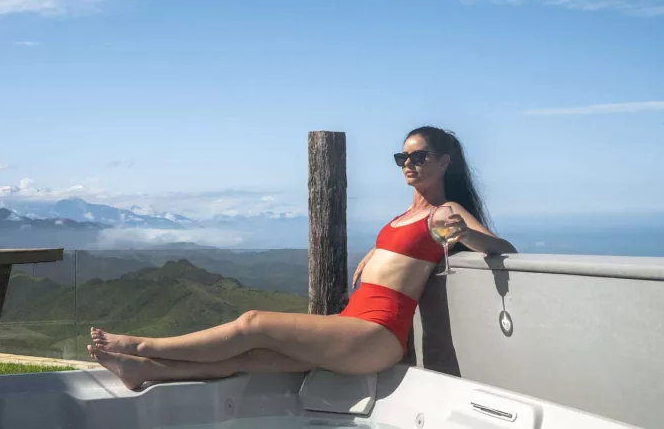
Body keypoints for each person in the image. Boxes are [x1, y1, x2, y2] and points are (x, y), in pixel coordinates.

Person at [89, 126, 517, 390]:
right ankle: (144, 371)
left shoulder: (445, 213)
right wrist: (375, 253)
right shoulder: (404, 216)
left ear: (443, 162)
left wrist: (466, 237)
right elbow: (403, 251)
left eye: (418, 156)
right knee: (248, 360)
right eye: (402, 157)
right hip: (353, 325)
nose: (408, 163)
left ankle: (140, 344)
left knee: (253, 323)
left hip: (376, 334)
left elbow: (502, 248)